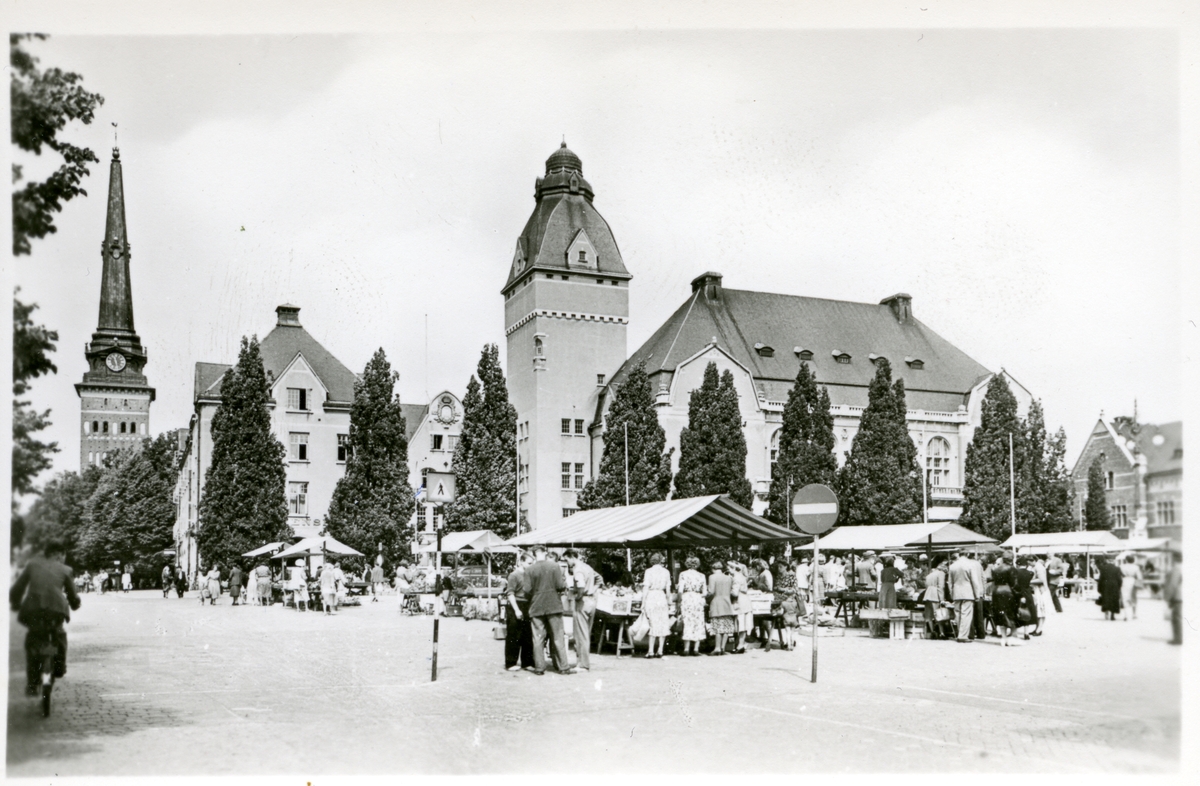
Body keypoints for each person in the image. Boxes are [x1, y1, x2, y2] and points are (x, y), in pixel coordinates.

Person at [10, 541, 82, 696]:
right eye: (63, 556)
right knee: (60, 635)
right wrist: (75, 604)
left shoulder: (32, 565)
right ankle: (59, 667)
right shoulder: (65, 569)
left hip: (33, 611)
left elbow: (17, 588)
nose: (63, 559)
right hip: (56, 611)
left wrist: (15, 604)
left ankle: (31, 683)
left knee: (32, 641)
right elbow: (72, 594)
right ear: (58, 554)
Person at [525, 546, 573, 675]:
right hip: (553, 605)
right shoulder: (554, 566)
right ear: (545, 553)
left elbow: (527, 590)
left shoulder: (529, 569)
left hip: (536, 606)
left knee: (538, 638)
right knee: (558, 637)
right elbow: (560, 586)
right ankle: (564, 667)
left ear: (534, 555)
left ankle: (539, 668)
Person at [564, 549, 597, 670]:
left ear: (572, 557)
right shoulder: (587, 567)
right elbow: (599, 579)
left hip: (582, 602)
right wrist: (592, 589)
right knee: (586, 633)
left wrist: (577, 596)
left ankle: (583, 664)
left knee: (580, 635)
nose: (567, 562)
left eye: (567, 559)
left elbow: (581, 586)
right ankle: (583, 662)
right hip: (592, 601)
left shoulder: (578, 569)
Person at [504, 552, 535, 672]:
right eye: (529, 563)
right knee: (514, 635)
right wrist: (516, 609)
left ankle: (527, 662)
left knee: (527, 635)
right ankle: (511, 663)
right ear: (521, 562)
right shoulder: (514, 575)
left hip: (528, 604)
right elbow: (510, 593)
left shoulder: (530, 575)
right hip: (516, 604)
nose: (531, 566)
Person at [641, 552, 672, 659]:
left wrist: (643, 602)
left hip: (651, 596)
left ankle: (650, 651)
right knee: (663, 623)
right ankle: (660, 650)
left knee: (652, 623)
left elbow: (645, 587)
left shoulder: (648, 571)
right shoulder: (666, 572)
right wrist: (669, 601)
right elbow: (668, 589)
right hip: (661, 596)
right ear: (661, 560)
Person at [675, 556, 707, 656]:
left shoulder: (683, 574)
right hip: (697, 598)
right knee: (698, 622)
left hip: (687, 598)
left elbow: (680, 590)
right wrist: (698, 595)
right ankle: (696, 648)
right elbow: (705, 592)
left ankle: (686, 648)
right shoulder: (702, 575)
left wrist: (679, 602)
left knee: (687, 622)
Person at [947, 551, 979, 643]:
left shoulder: (952, 566)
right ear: (967, 554)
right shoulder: (970, 564)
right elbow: (975, 581)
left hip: (956, 593)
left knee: (958, 613)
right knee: (966, 614)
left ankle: (959, 634)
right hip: (968, 592)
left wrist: (951, 593)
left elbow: (950, 582)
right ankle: (963, 636)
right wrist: (977, 594)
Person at [706, 561, 737, 656]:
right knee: (726, 626)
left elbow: (711, 591)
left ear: (713, 568)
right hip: (727, 603)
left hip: (716, 602)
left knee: (717, 626)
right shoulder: (729, 577)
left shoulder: (712, 577)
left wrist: (706, 598)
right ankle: (723, 647)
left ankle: (717, 648)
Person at [990, 555, 1017, 647]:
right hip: (1007, 591)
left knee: (1000, 614)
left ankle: (1003, 638)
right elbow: (1014, 583)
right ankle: (1011, 638)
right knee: (1010, 614)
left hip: (996, 591)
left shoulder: (996, 569)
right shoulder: (1011, 569)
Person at [751, 559, 776, 651]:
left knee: (765, 620)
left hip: (766, 597)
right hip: (762, 596)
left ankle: (768, 638)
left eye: (756, 566)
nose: (756, 568)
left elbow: (768, 587)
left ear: (759, 565)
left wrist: (756, 582)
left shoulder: (766, 573)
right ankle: (762, 637)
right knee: (760, 620)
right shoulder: (762, 573)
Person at [1011, 556, 1038, 639]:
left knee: (1016, 612)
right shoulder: (1030, 573)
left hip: (1017, 593)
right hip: (1027, 594)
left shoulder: (1015, 572)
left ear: (1018, 564)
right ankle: (1026, 633)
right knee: (1026, 612)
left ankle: (1014, 632)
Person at [922, 556, 948, 639]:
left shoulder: (930, 574)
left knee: (929, 615)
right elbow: (941, 587)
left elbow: (926, 585)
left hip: (927, 594)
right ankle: (941, 633)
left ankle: (932, 631)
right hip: (935, 595)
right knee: (939, 614)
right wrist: (942, 599)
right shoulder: (941, 573)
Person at [729, 561, 753, 654]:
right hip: (745, 600)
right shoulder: (741, 576)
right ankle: (740, 644)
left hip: (739, 601)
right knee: (742, 623)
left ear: (734, 568)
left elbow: (734, 593)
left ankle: (740, 645)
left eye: (730, 568)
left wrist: (728, 590)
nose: (728, 570)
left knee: (740, 623)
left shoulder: (736, 578)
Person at [966, 551, 987, 640]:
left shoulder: (966, 564)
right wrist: (984, 591)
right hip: (980, 591)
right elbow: (983, 578)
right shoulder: (979, 565)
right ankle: (981, 634)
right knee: (979, 614)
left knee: (970, 613)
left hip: (970, 592)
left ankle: (971, 634)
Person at [1096, 555, 1123, 621]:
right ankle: (1112, 615)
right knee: (1114, 599)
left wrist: (1099, 588)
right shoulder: (1117, 568)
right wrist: (1119, 586)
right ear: (1113, 561)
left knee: (1106, 598)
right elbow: (1119, 579)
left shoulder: (1103, 568)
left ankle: (1106, 613)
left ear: (1107, 560)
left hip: (1105, 584)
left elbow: (1101, 578)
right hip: (1114, 585)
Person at [1163, 553, 1182, 645]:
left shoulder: (1176, 569)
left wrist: (1167, 597)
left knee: (1176, 618)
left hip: (1177, 596)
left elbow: (1172, 584)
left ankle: (1178, 639)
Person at [1119, 554, 1143, 621]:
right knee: (1133, 597)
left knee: (1124, 597)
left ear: (1126, 560)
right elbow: (1139, 577)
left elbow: (1119, 575)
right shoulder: (1136, 567)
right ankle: (1134, 614)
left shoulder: (1122, 566)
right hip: (1133, 581)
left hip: (1124, 581)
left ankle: (1126, 615)